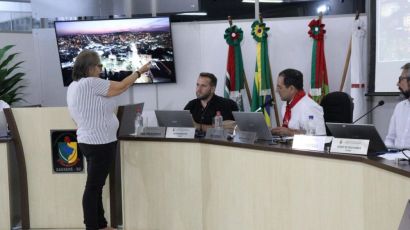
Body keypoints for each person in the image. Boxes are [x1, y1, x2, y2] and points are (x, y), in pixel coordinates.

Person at [67, 50, 150, 230]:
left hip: (90, 140)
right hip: (99, 142)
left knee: (96, 185)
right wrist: (139, 72)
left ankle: (100, 224)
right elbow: (120, 86)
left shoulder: (75, 85)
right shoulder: (90, 83)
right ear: (90, 68)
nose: (100, 69)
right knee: (93, 187)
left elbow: (119, 89)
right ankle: (92, 226)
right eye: (99, 66)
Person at [271, 68, 326, 136]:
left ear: (291, 89)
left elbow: (320, 138)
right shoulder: (285, 105)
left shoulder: (311, 107)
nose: (277, 91)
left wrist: (290, 132)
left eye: (280, 87)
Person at [385, 63, 410, 149]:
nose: (397, 84)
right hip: (394, 160)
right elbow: (390, 139)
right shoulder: (399, 107)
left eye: (401, 79)